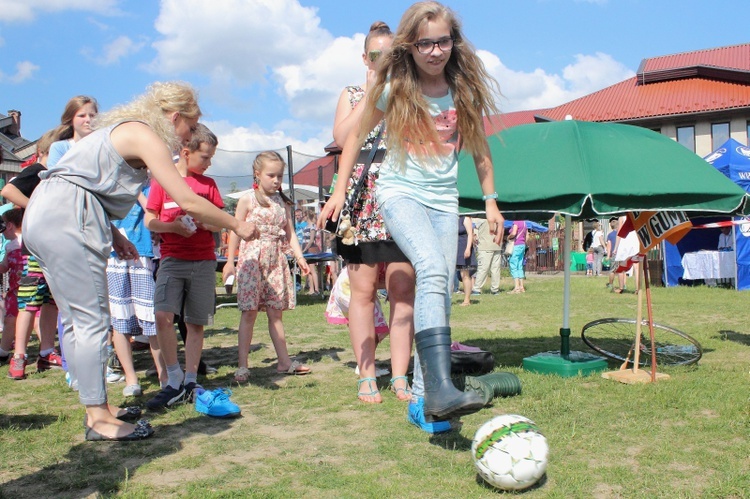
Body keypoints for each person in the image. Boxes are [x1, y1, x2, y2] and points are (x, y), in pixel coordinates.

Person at [22, 82, 258, 441]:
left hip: (49, 213)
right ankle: (98, 417)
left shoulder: (121, 131)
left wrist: (115, 235)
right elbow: (186, 199)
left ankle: (95, 405)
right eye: (191, 126)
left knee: (75, 317)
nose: (189, 135)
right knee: (92, 320)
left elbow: (90, 184)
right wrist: (237, 224)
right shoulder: (144, 134)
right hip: (66, 216)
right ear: (175, 116)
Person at [319, 1, 504, 431]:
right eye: (426, 43)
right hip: (399, 192)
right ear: (412, 46)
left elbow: (481, 152)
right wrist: (339, 191)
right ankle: (438, 388)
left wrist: (491, 200)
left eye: (442, 41)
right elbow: (355, 138)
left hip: (444, 201)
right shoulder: (395, 88)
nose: (435, 51)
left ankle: (426, 395)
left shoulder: (463, 94)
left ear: (453, 43)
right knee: (432, 269)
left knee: (436, 291)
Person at [319, 20, 416, 404]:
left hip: (401, 192)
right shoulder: (354, 92)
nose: (384, 60)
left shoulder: (409, 93)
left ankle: (400, 375)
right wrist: (372, 90)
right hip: (361, 198)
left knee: (402, 288)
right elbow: (343, 139)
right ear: (365, 57)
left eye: (391, 54)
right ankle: (366, 374)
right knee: (362, 290)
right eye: (377, 54)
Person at [145, 123, 228, 411]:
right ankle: (172, 377)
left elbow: (220, 219)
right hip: (171, 260)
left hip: (203, 262)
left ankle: (191, 380)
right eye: (205, 157)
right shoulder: (163, 181)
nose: (209, 163)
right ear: (186, 152)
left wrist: (207, 223)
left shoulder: (209, 185)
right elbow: (150, 221)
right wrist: (173, 228)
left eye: (211, 158)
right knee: (163, 316)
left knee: (195, 322)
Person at [223, 151, 312, 381]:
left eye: (280, 176)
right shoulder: (247, 200)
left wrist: (300, 257)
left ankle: (284, 362)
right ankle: (243, 365)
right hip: (252, 260)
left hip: (276, 258)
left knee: (276, 313)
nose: (276, 180)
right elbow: (235, 231)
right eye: (271, 175)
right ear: (257, 174)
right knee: (249, 312)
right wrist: (230, 262)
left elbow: (290, 233)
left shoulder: (283, 201)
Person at [3, 130, 63, 380]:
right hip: (33, 251)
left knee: (51, 302)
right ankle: (18, 355)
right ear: (46, 153)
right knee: (28, 304)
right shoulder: (37, 169)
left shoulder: (61, 174)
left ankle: (47, 352)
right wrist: (35, 206)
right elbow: (8, 190)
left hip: (56, 249)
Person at [107, 186, 165, 397]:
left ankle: (163, 375)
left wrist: (136, 190)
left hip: (142, 254)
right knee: (120, 319)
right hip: (114, 255)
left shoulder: (150, 188)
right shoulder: (108, 184)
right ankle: (131, 377)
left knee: (151, 319)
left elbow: (152, 212)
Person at [0, 209, 24, 364]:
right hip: (14, 291)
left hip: (28, 290)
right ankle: (2, 351)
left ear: (9, 225)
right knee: (10, 320)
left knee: (35, 319)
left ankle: (47, 349)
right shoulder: (9, 246)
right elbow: (4, 266)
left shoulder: (27, 242)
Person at [471, 218, 503, 295]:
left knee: (483, 268)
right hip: (497, 245)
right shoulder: (498, 218)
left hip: (485, 246)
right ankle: (495, 289)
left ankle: (477, 288)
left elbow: (471, 226)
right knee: (495, 269)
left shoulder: (480, 218)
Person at [456, 215, 476, 306]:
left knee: (465, 275)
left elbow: (470, 234)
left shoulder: (466, 218)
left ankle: (467, 300)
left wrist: (468, 248)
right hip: (456, 248)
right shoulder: (453, 218)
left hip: (464, 248)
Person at [507, 220, 527, 293]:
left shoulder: (516, 222)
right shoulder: (525, 223)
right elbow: (526, 236)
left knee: (513, 265)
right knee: (519, 265)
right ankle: (521, 287)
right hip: (522, 245)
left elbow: (514, 233)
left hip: (516, 245)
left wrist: (508, 237)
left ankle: (516, 287)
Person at [606, 217, 621, 288]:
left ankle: (610, 284)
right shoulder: (621, 234)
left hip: (614, 254)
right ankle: (623, 285)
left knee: (612, 270)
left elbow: (609, 246)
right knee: (621, 270)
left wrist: (608, 255)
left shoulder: (610, 235)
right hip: (621, 253)